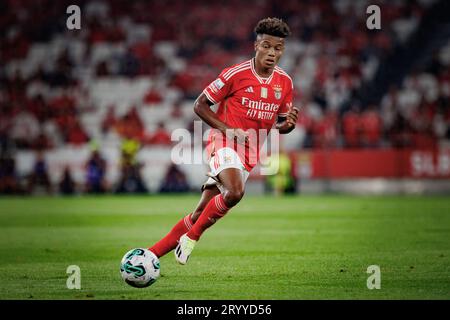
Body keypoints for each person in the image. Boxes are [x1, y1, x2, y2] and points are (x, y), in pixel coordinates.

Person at [148, 18, 299, 265]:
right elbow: (200, 105)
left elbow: (280, 125)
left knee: (200, 213)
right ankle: (191, 239)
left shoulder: (285, 83)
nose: (272, 53)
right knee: (236, 192)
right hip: (223, 142)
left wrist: (288, 126)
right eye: (266, 46)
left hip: (250, 153)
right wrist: (229, 130)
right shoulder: (235, 74)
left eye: (278, 48)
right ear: (256, 45)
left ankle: (150, 255)